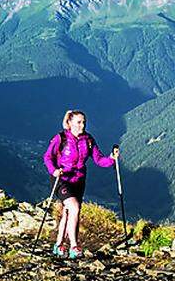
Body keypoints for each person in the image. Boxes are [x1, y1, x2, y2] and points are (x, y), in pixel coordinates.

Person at [42, 110, 119, 259]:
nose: (82, 125)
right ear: (69, 123)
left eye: (84, 122)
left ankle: (59, 245)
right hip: (62, 179)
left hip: (79, 181)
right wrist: (53, 171)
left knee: (68, 211)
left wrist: (111, 159)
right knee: (74, 207)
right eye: (79, 122)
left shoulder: (88, 140)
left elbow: (98, 159)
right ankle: (74, 246)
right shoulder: (61, 138)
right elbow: (47, 156)